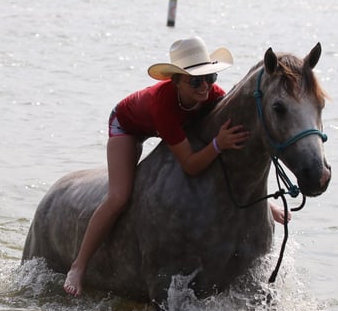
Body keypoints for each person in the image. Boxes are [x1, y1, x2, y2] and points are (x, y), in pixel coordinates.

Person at [64, 37, 291, 296]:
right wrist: (217, 144)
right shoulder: (165, 105)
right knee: (119, 197)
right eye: (195, 81)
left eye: (210, 77)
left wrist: (261, 200)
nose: (204, 86)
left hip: (179, 124)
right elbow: (192, 166)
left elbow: (233, 157)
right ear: (176, 81)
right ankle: (79, 266)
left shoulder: (210, 94)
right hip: (128, 126)